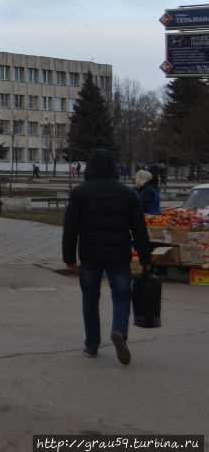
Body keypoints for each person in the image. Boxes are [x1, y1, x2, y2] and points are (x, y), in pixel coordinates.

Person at [62, 148, 153, 364]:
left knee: (90, 298)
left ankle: (91, 345)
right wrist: (146, 259)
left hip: (90, 255)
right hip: (119, 255)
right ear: (113, 167)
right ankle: (119, 331)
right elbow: (139, 229)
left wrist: (69, 258)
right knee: (122, 296)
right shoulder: (127, 193)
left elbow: (70, 228)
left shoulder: (80, 193)